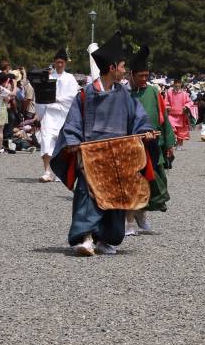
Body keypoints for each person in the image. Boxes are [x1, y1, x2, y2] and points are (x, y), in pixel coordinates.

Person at [50, 32, 159, 256]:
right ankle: (86, 238)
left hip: (118, 156)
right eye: (121, 66)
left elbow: (138, 119)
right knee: (88, 196)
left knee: (115, 198)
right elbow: (72, 124)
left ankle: (105, 239)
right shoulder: (86, 95)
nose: (123, 70)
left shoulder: (125, 95)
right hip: (92, 156)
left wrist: (145, 133)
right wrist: (72, 142)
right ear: (111, 68)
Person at [127, 44, 175, 234]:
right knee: (134, 181)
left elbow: (163, 117)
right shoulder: (124, 93)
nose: (145, 79)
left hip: (154, 144)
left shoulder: (154, 92)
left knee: (152, 181)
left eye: (147, 76)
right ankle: (130, 221)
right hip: (131, 144)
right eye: (141, 76)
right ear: (132, 75)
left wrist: (169, 142)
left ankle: (141, 214)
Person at [37, 49, 80, 182]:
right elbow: (39, 96)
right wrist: (39, 114)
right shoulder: (49, 78)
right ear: (54, 63)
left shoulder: (70, 78)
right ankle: (47, 171)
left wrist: (57, 98)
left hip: (64, 114)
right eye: (57, 62)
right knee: (46, 140)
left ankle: (62, 172)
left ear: (65, 63)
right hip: (49, 113)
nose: (59, 64)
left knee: (63, 143)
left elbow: (73, 96)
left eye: (62, 62)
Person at [164, 79, 192, 149]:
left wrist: (186, 106)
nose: (177, 85)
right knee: (171, 128)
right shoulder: (169, 92)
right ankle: (173, 142)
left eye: (178, 83)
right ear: (173, 84)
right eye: (176, 83)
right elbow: (165, 101)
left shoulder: (184, 93)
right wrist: (167, 106)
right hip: (171, 114)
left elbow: (189, 102)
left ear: (180, 84)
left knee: (181, 131)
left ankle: (180, 145)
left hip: (181, 115)